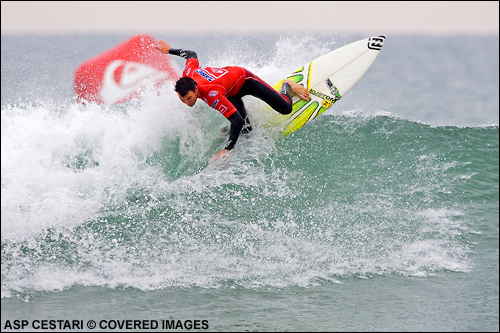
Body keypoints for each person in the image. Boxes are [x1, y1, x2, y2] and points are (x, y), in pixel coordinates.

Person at [156, 40, 310, 160]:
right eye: (183, 100)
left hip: (244, 80)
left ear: (195, 88)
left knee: (286, 109)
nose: (188, 103)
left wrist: (228, 149)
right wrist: (169, 51)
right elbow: (191, 54)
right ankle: (238, 127)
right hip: (229, 91)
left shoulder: (212, 94)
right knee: (247, 131)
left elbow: (237, 120)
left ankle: (287, 85)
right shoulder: (189, 72)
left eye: (189, 98)